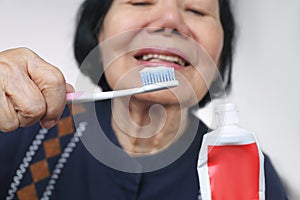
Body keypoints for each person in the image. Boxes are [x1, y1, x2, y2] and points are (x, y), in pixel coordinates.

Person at [0, 0, 288, 199]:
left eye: (197, 10)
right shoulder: (22, 126)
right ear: (98, 32)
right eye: (140, 2)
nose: (171, 21)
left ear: (220, 54)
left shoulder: (245, 169)